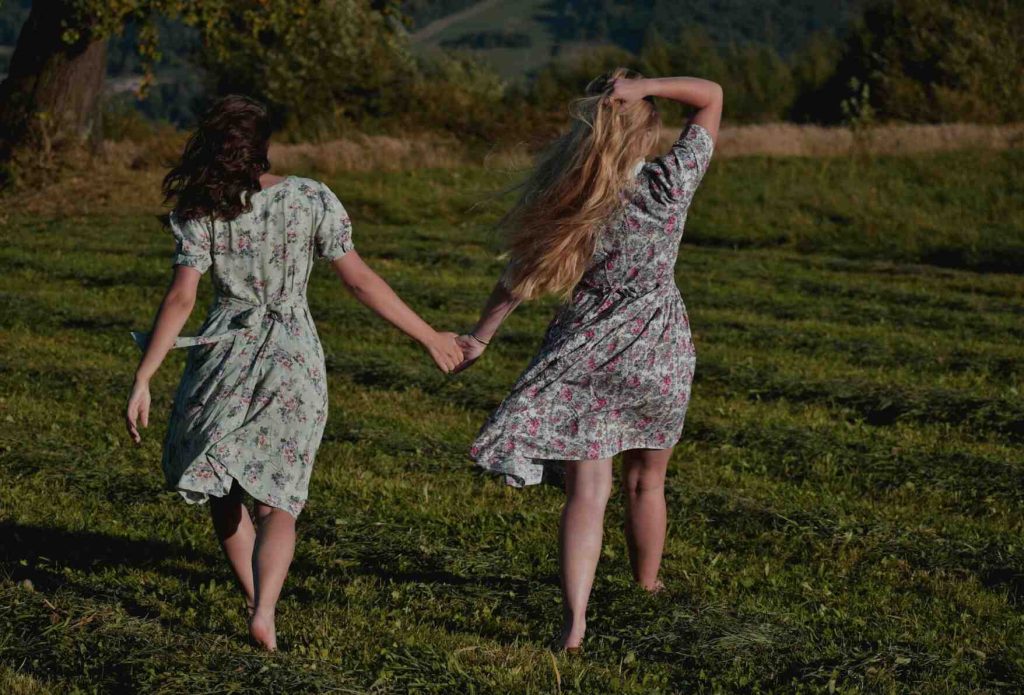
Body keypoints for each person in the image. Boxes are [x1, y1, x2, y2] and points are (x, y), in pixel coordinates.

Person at [124, 95, 463, 650]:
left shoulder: (201, 208)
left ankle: (256, 602)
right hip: (294, 354)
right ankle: (265, 608)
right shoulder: (311, 197)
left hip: (224, 354)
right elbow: (360, 281)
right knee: (279, 497)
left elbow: (182, 298)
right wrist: (429, 336)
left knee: (224, 491)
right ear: (264, 146)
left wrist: (145, 375)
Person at [456, 69, 722, 651]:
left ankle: (575, 622)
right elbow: (711, 96)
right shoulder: (670, 183)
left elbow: (519, 278)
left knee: (589, 491)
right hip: (660, 349)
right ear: (645, 131)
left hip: (589, 347)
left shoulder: (575, 196)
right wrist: (648, 84)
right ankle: (645, 586)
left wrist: (480, 337)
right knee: (648, 483)